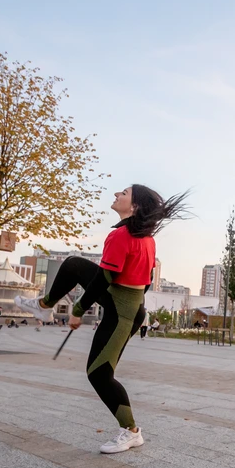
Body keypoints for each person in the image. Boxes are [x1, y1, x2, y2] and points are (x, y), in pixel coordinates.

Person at [15, 185, 189, 453]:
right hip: (125, 304)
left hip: (123, 313)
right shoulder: (147, 238)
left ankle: (131, 431)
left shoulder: (121, 236)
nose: (116, 195)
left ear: (135, 207)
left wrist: (78, 310)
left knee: (99, 374)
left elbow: (102, 280)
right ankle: (44, 305)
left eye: (124, 193)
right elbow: (144, 283)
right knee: (73, 264)